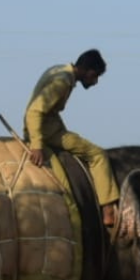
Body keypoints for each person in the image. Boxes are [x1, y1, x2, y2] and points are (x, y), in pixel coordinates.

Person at [23, 49, 119, 230]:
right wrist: (37, 145)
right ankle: (108, 208)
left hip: (49, 126)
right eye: (95, 76)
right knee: (97, 154)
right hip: (47, 131)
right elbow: (35, 111)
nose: (95, 81)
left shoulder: (59, 70)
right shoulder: (62, 81)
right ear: (89, 71)